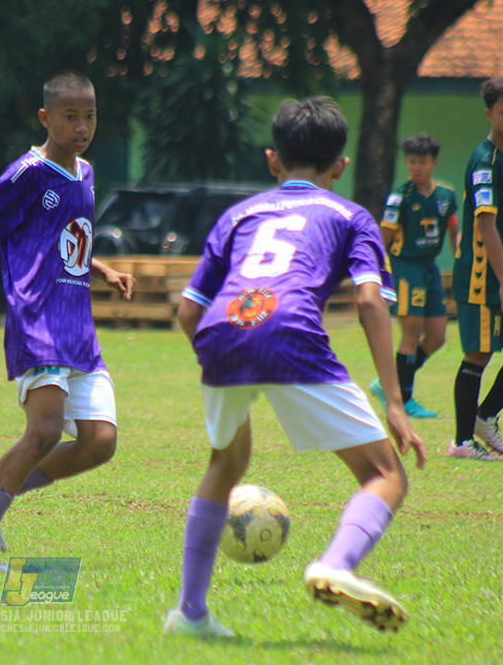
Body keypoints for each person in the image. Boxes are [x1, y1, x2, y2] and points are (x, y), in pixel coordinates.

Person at [165, 97, 427, 639]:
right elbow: (371, 302)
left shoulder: (238, 214)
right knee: (384, 475)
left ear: (272, 160)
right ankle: (335, 564)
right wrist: (395, 404)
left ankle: (189, 614)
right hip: (290, 334)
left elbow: (188, 311)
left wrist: (224, 362)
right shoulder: (351, 216)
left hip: (221, 332)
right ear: (341, 166)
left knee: (225, 462)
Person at [0, 70, 135, 571]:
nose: (81, 126)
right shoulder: (26, 173)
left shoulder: (87, 173)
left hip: (79, 326)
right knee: (45, 432)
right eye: (70, 116)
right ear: (45, 118)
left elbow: (64, 238)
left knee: (99, 444)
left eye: (89, 115)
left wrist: (102, 267)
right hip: (38, 318)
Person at [447, 76, 503, 460]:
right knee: (478, 355)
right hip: (485, 278)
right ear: (489, 114)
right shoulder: (484, 162)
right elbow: (486, 225)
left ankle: (485, 418)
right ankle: (462, 442)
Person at [370, 133, 459, 418]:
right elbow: (383, 237)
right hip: (405, 268)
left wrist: (461, 259)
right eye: (410, 161)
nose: (415, 167)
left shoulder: (446, 195)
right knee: (411, 330)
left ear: (434, 162)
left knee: (436, 337)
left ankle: (388, 384)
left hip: (430, 267)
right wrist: (377, 271)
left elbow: (454, 230)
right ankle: (404, 400)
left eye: (421, 162)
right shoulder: (400, 198)